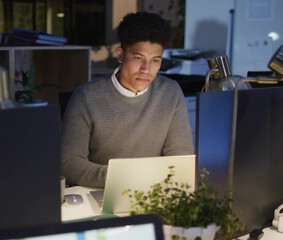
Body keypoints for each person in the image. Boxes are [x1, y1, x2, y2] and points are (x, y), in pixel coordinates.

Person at [61, 11, 194, 188]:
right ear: (120, 55)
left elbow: (180, 156)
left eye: (155, 60)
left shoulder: (170, 92)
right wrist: (119, 178)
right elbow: (68, 162)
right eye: (138, 58)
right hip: (99, 190)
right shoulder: (86, 97)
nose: (146, 69)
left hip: (152, 192)